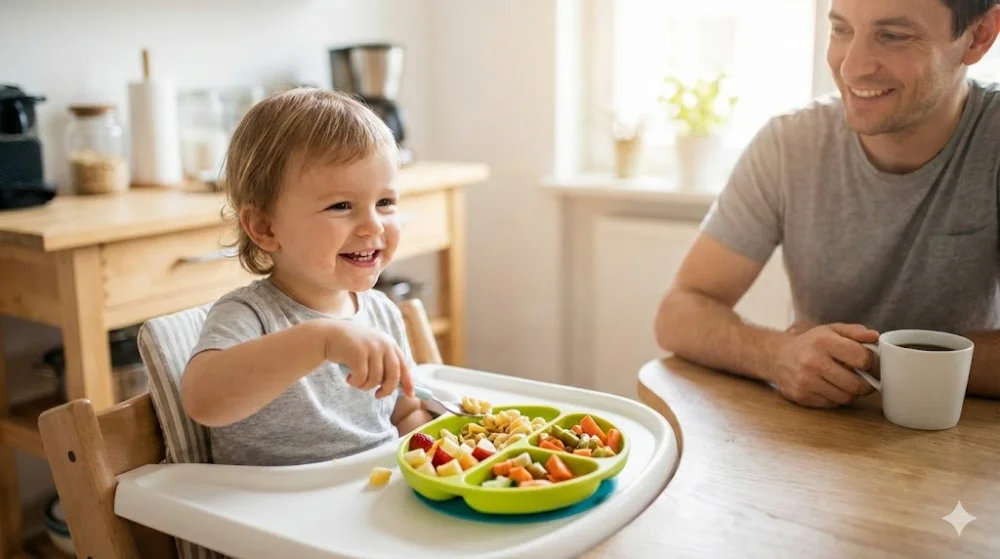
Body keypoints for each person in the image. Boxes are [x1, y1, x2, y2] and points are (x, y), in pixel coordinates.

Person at [654, 0, 1000, 408]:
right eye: (841, 30)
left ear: (979, 36)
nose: (851, 68)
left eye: (892, 36)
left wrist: (869, 360)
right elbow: (678, 313)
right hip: (822, 436)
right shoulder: (789, 144)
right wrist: (776, 355)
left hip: (967, 444)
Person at [180, 88, 433, 466]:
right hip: (273, 513)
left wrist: (432, 448)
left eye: (385, 202)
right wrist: (320, 341)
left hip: (364, 494)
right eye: (341, 206)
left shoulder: (382, 313)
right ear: (265, 228)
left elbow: (403, 412)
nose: (371, 225)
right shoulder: (249, 315)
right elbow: (204, 400)